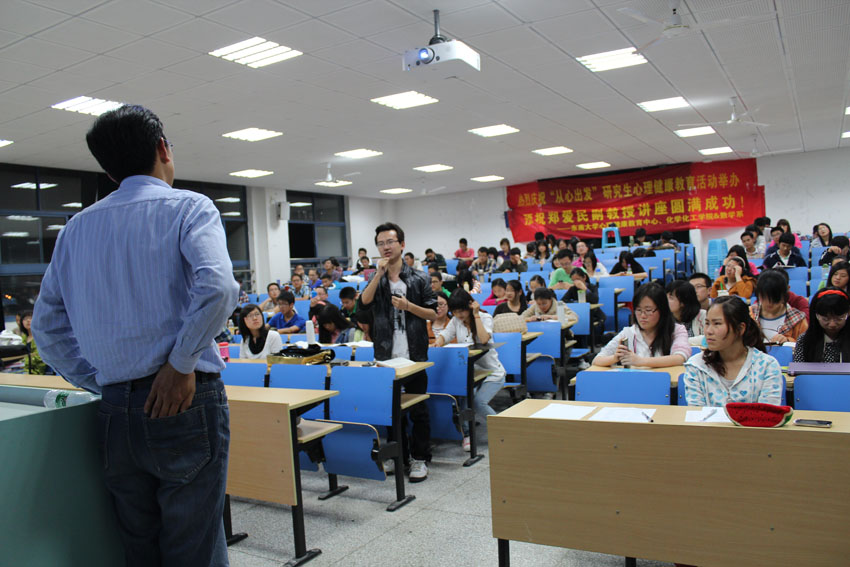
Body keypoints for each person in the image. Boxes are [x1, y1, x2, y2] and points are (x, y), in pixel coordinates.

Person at [34, 105, 239, 566]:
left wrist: (99, 381)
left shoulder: (75, 229)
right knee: (194, 545)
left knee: (139, 546)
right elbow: (219, 286)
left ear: (109, 171)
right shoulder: (189, 206)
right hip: (184, 402)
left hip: (114, 411)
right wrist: (180, 364)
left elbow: (46, 327)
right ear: (163, 148)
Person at [357, 222, 437, 482]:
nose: (385, 247)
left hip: (414, 355)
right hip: (385, 356)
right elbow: (363, 305)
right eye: (381, 243)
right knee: (391, 410)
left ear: (402, 244)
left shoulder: (419, 278)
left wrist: (408, 306)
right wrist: (377, 275)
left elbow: (433, 313)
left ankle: (420, 459)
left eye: (390, 242)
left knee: (418, 410)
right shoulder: (376, 278)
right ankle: (397, 456)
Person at [435, 289, 506, 452]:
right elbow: (445, 334)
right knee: (464, 398)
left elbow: (484, 339)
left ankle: (502, 431)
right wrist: (438, 342)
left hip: (492, 373)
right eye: (455, 311)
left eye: (462, 310)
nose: (459, 315)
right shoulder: (456, 321)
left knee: (478, 402)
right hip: (472, 373)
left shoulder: (485, 318)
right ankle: (467, 435)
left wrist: (476, 314)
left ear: (470, 305)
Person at [682, 296, 784, 406]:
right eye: (707, 323)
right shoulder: (697, 366)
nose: (708, 331)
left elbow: (767, 413)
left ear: (740, 329)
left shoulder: (767, 366)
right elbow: (697, 414)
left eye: (717, 324)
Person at [593, 282, 691, 367]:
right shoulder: (629, 333)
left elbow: (680, 358)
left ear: (662, 310)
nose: (642, 316)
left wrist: (640, 361)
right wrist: (615, 358)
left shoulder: (676, 330)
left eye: (648, 310)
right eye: (638, 310)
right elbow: (597, 360)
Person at [749, 270, 808, 344]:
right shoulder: (749, 315)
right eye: (764, 297)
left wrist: (788, 341)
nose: (769, 303)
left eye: (775, 298)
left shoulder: (798, 320)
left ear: (785, 293)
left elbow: (805, 346)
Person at [793, 288, 850, 362]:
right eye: (825, 319)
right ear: (816, 316)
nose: (832, 324)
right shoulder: (804, 340)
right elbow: (799, 367)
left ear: (848, 314)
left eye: (839, 318)